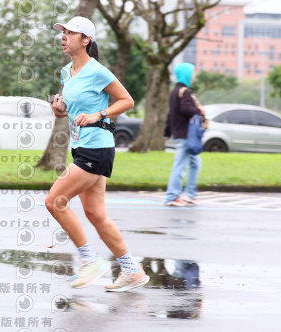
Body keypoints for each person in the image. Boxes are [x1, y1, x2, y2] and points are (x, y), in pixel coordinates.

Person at [47, 16, 149, 293]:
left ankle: (90, 261)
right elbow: (71, 110)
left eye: (71, 33)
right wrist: (59, 110)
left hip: (97, 148)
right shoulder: (67, 72)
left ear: (86, 40)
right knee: (96, 214)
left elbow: (127, 100)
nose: (64, 36)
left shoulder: (98, 71)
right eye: (63, 32)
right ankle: (132, 270)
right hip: (81, 147)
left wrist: (99, 114)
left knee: (54, 201)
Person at [163, 63, 205, 207]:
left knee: (195, 163)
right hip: (185, 135)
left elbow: (171, 114)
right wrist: (199, 111)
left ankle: (190, 194)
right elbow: (186, 109)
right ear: (186, 74)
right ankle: (172, 196)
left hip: (181, 134)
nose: (194, 77)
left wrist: (167, 132)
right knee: (180, 166)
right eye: (193, 74)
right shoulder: (184, 91)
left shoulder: (175, 91)